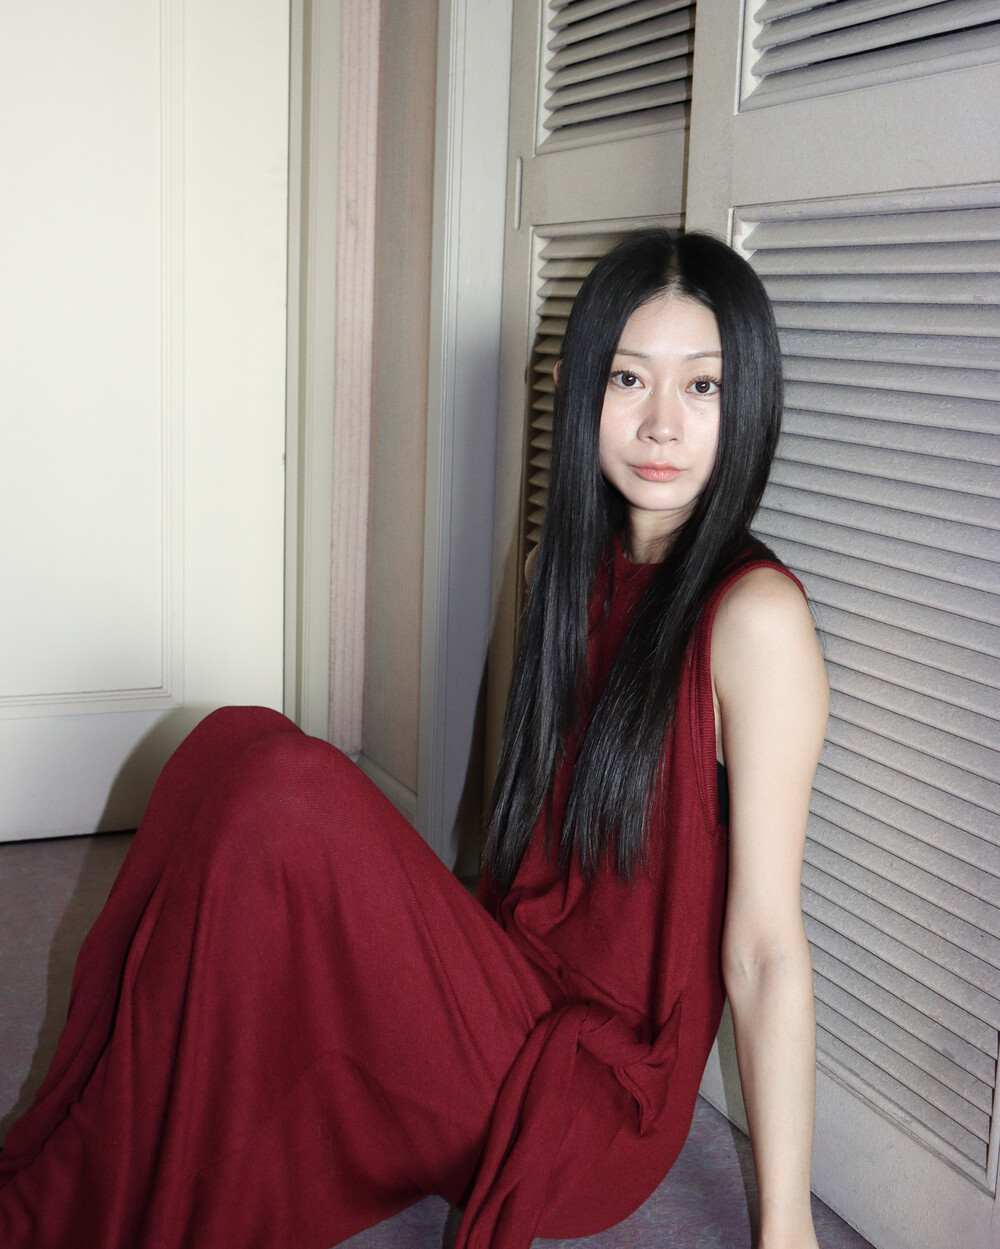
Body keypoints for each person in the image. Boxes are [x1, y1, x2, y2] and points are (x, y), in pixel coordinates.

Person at [0, 228, 828, 1249]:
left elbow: (763, 950)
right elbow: (528, 844)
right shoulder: (555, 569)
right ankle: (108, 1144)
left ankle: (87, 1190)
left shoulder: (754, 621)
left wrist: (787, 1229)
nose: (662, 422)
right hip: (506, 990)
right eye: (628, 378)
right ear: (578, 391)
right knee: (232, 742)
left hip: (590, 1094)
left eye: (702, 386)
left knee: (288, 792)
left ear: (749, 402)